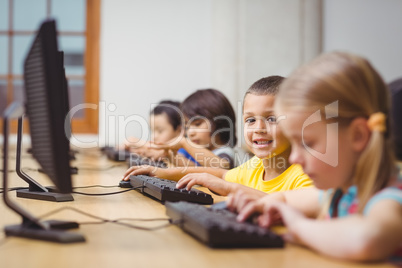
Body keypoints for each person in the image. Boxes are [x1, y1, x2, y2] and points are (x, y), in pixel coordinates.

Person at [227, 52, 402, 262]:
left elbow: (366, 240)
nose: (294, 159)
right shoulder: (335, 194)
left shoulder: (389, 199)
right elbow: (284, 198)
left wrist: (300, 227)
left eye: (307, 144)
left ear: (358, 135)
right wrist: (264, 206)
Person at [122, 76, 313, 197]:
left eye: (271, 118)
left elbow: (290, 208)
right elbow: (221, 174)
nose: (259, 128)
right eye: (250, 120)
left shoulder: (305, 175)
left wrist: (229, 188)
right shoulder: (255, 166)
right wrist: (160, 172)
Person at [149, 89, 238, 169]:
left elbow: (221, 167)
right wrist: (169, 155)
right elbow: (194, 168)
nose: (190, 132)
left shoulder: (226, 152)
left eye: (197, 124)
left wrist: (184, 142)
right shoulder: (205, 153)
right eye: (187, 127)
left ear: (220, 122)